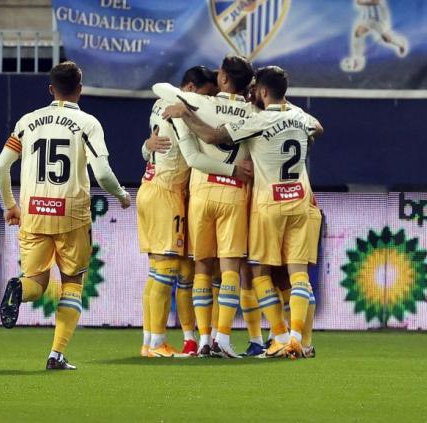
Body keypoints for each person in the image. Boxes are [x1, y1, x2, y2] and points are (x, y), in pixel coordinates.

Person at [162, 66, 323, 358]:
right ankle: (300, 340)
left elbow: (212, 136)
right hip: (300, 200)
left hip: (267, 202)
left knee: (257, 272)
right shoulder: (299, 116)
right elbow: (318, 129)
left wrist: (183, 113)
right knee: (298, 275)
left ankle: (278, 337)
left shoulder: (257, 120)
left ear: (261, 92)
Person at [0, 61, 130, 370]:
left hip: (32, 211)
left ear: (51, 89)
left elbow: (0, 167)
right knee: (72, 282)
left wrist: (10, 205)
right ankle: (56, 355)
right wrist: (121, 195)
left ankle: (19, 288)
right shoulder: (88, 123)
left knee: (37, 283)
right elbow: (103, 172)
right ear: (80, 89)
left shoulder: (28, 121)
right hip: (71, 213)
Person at [152, 55, 256, 358]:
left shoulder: (200, 102)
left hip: (202, 191)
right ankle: (223, 337)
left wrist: (185, 109)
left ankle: (203, 339)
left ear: (223, 79)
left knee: (201, 266)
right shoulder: (252, 112)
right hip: (235, 193)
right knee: (230, 269)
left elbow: (160, 87)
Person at [137, 66, 232, 357]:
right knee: (165, 272)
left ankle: (155, 340)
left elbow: (153, 146)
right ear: (190, 88)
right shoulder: (178, 113)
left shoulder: (159, 105)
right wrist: (233, 170)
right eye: (205, 94)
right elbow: (192, 157)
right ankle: (155, 343)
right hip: (166, 194)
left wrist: (144, 147)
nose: (208, 101)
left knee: (166, 271)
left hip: (154, 187)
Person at [340, 0, 408, 73]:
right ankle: (357, 58)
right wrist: (359, 2)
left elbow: (376, 2)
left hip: (380, 19)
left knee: (386, 39)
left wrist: (362, 3)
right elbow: (358, 2)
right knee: (358, 33)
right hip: (368, 18)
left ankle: (400, 44)